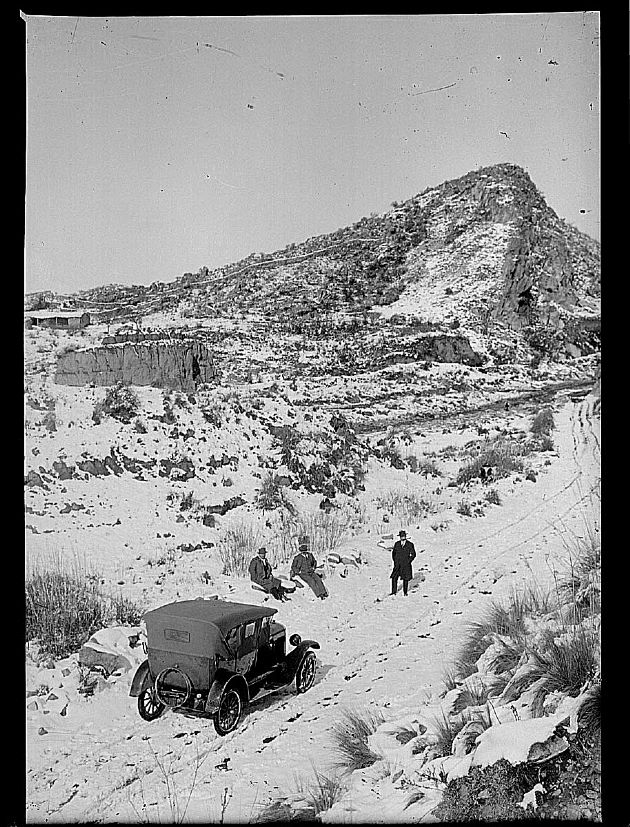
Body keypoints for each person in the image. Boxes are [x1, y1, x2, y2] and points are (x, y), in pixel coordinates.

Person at [391, 530, 416, 596]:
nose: (402, 537)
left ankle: (405, 592)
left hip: (406, 565)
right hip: (397, 565)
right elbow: (393, 554)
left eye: (403, 536)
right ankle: (393, 592)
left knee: (405, 579)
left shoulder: (410, 544)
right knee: (394, 578)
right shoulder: (397, 544)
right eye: (401, 536)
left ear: (405, 536)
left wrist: (408, 561)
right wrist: (395, 561)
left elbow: (413, 554)